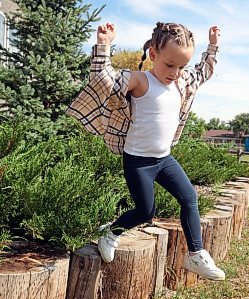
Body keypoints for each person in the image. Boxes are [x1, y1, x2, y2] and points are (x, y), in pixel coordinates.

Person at [67, 21, 225, 280]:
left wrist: (213, 46)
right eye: (169, 65)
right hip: (138, 161)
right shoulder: (140, 80)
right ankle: (112, 231)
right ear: (153, 55)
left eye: (181, 66)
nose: (175, 72)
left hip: (164, 159)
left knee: (189, 198)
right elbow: (103, 81)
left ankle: (196, 254)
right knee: (145, 211)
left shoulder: (181, 83)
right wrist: (103, 45)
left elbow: (204, 71)